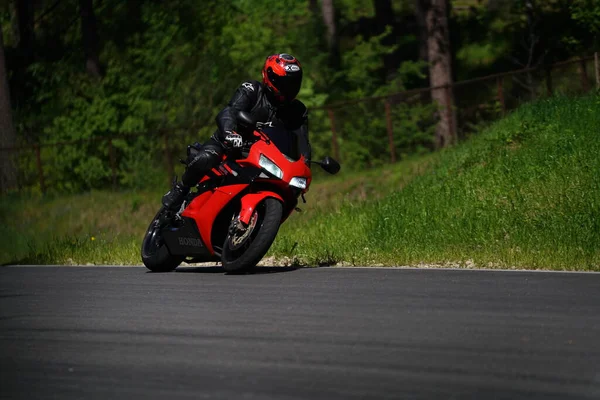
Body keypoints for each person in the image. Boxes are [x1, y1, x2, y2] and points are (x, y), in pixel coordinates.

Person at [162, 53, 311, 210]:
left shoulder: (298, 110)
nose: (289, 88)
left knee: (287, 192)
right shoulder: (252, 89)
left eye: (293, 83)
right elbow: (230, 111)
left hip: (266, 158)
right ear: (269, 77)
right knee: (206, 158)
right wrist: (229, 132)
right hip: (231, 145)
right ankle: (180, 189)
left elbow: (302, 142)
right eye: (284, 83)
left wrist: (304, 168)